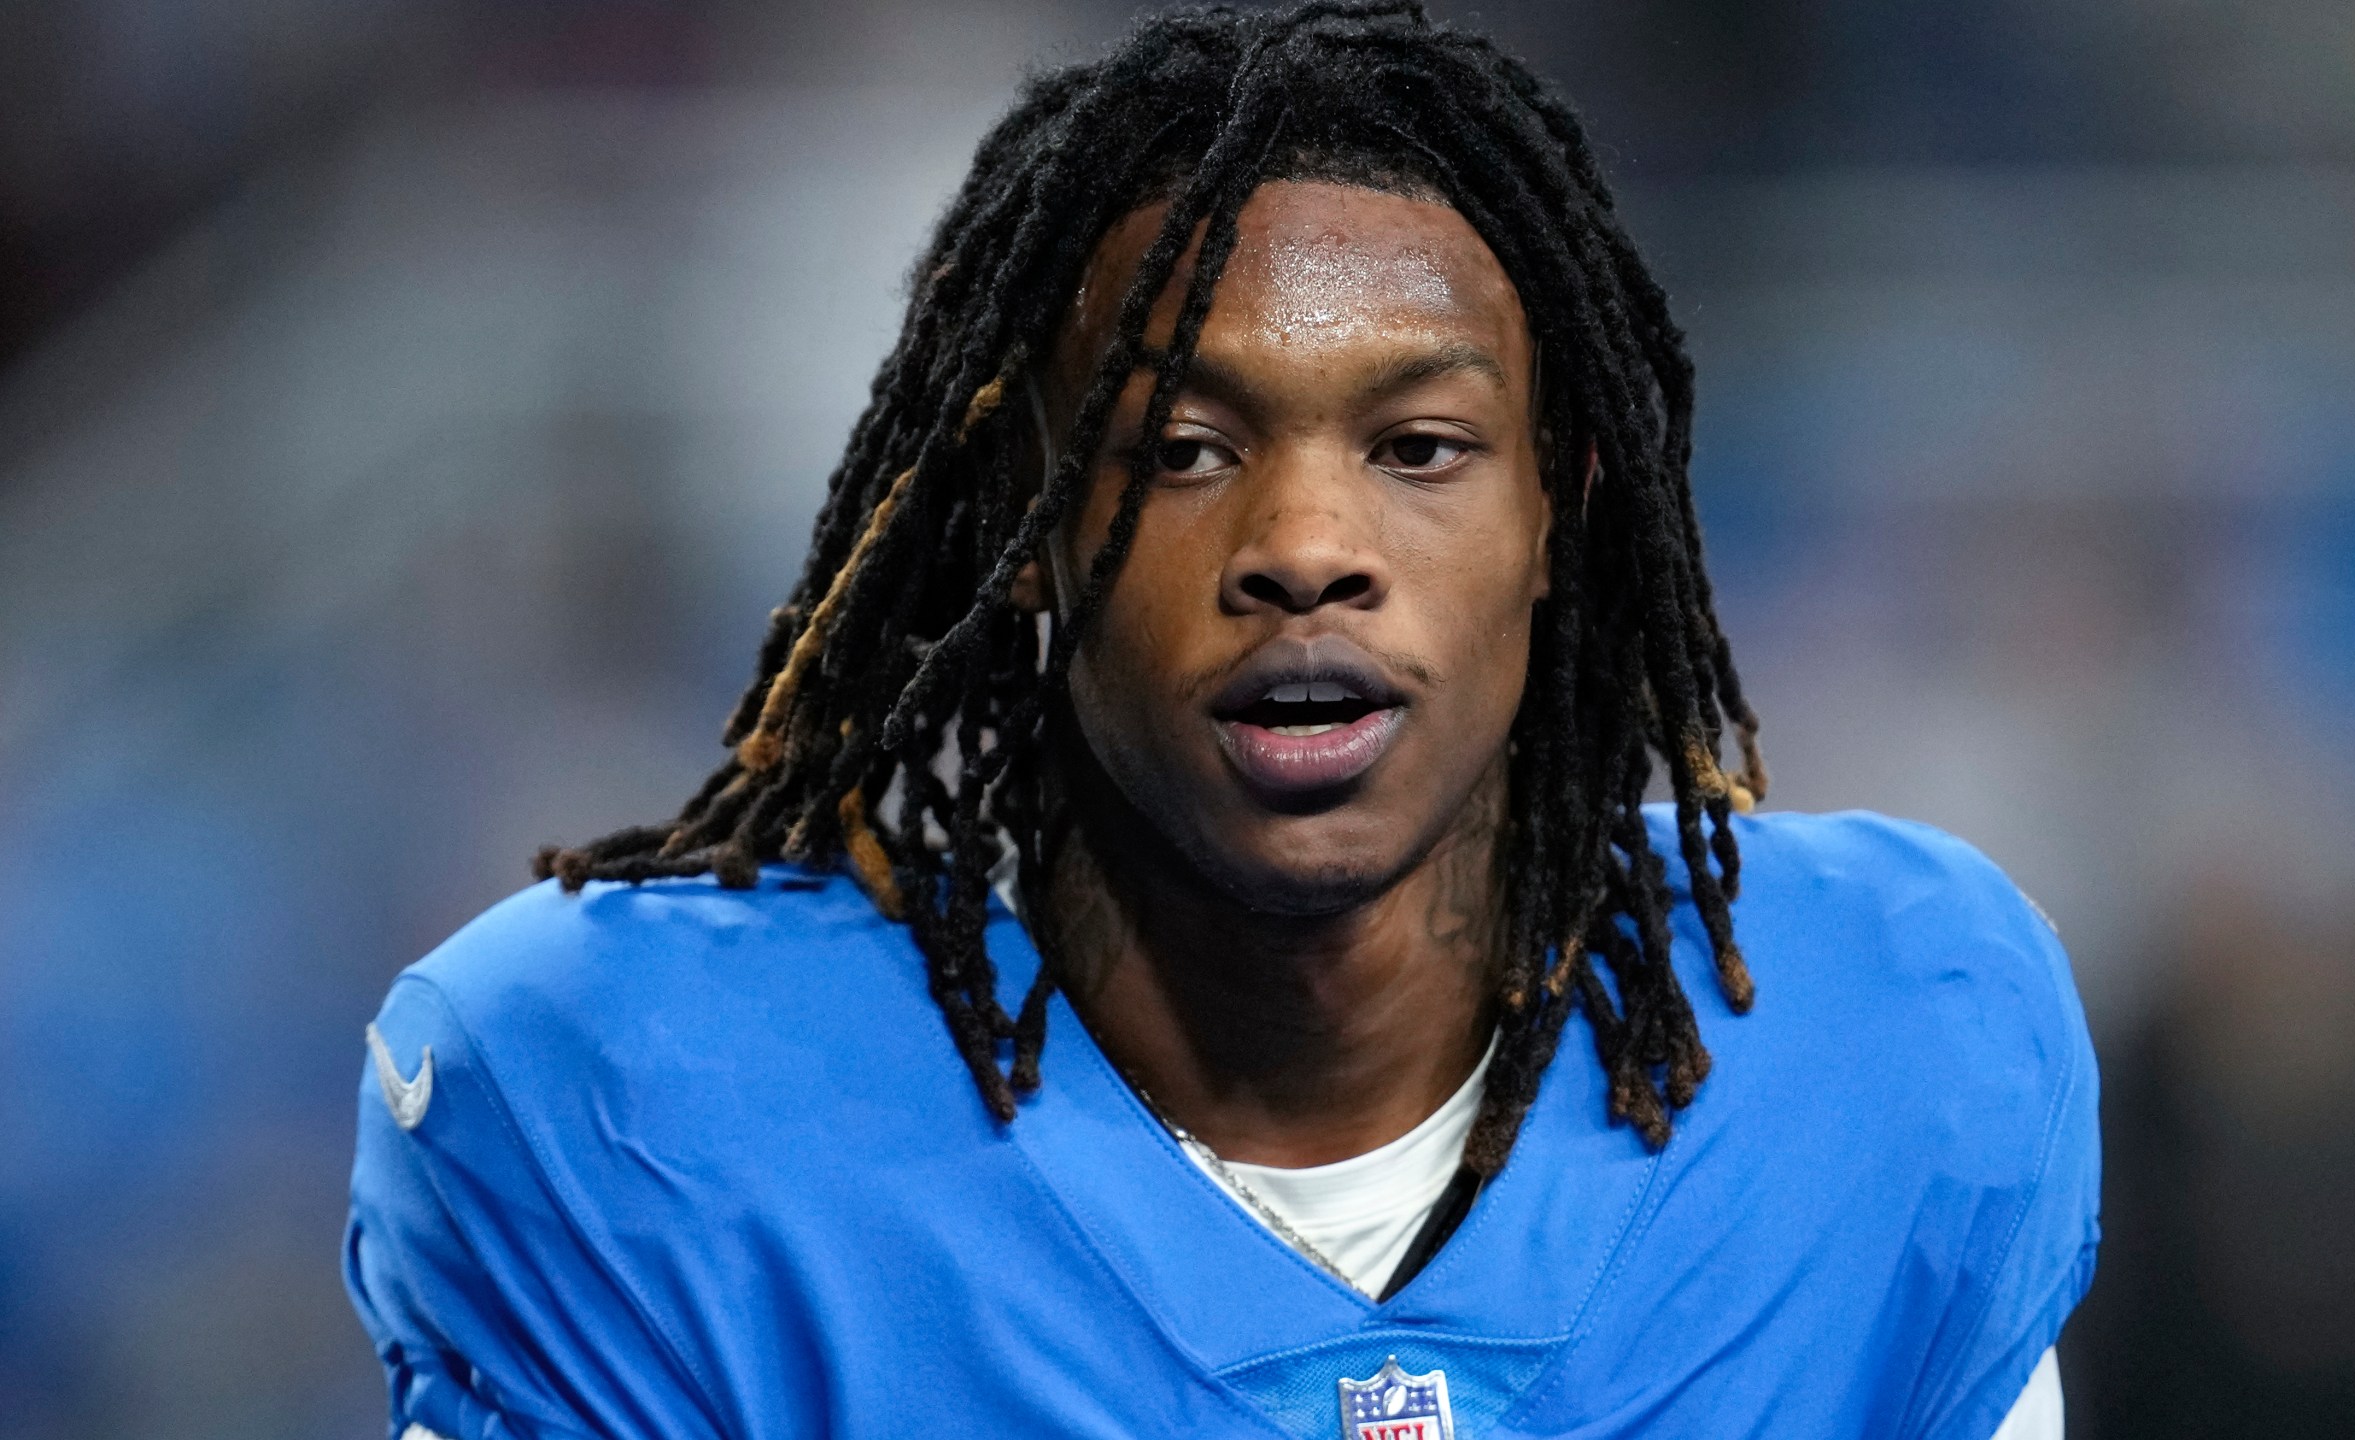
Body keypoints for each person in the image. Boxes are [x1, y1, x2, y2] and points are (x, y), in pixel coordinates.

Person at [342, 5, 2098, 1436]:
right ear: (1023, 521)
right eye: (1182, 450)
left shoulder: (1891, 1045)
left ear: (1559, 507)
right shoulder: (633, 1113)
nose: (1308, 552)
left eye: (1420, 449)